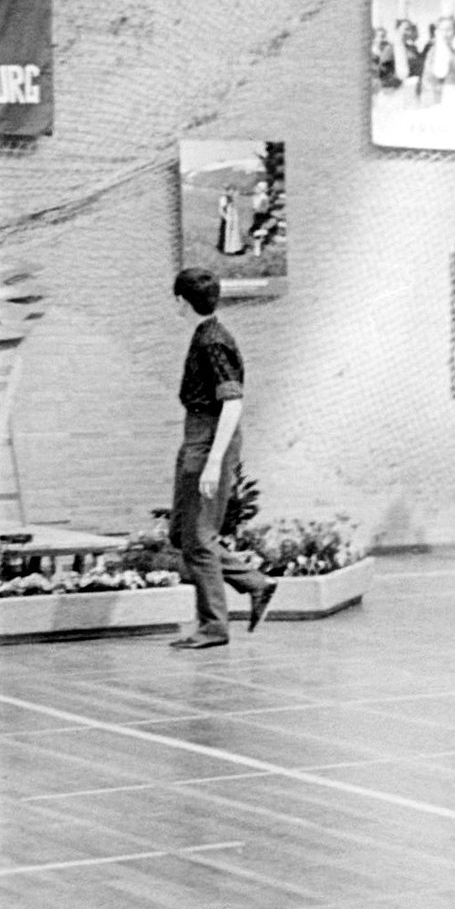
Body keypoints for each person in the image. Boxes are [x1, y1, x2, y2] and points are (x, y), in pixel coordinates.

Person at [162, 267, 277, 649]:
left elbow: (232, 402)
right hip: (198, 434)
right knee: (182, 533)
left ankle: (213, 627)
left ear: (182, 301)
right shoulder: (207, 335)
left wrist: (213, 461)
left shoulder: (213, 341)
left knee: (198, 538)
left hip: (209, 436)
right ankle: (254, 583)